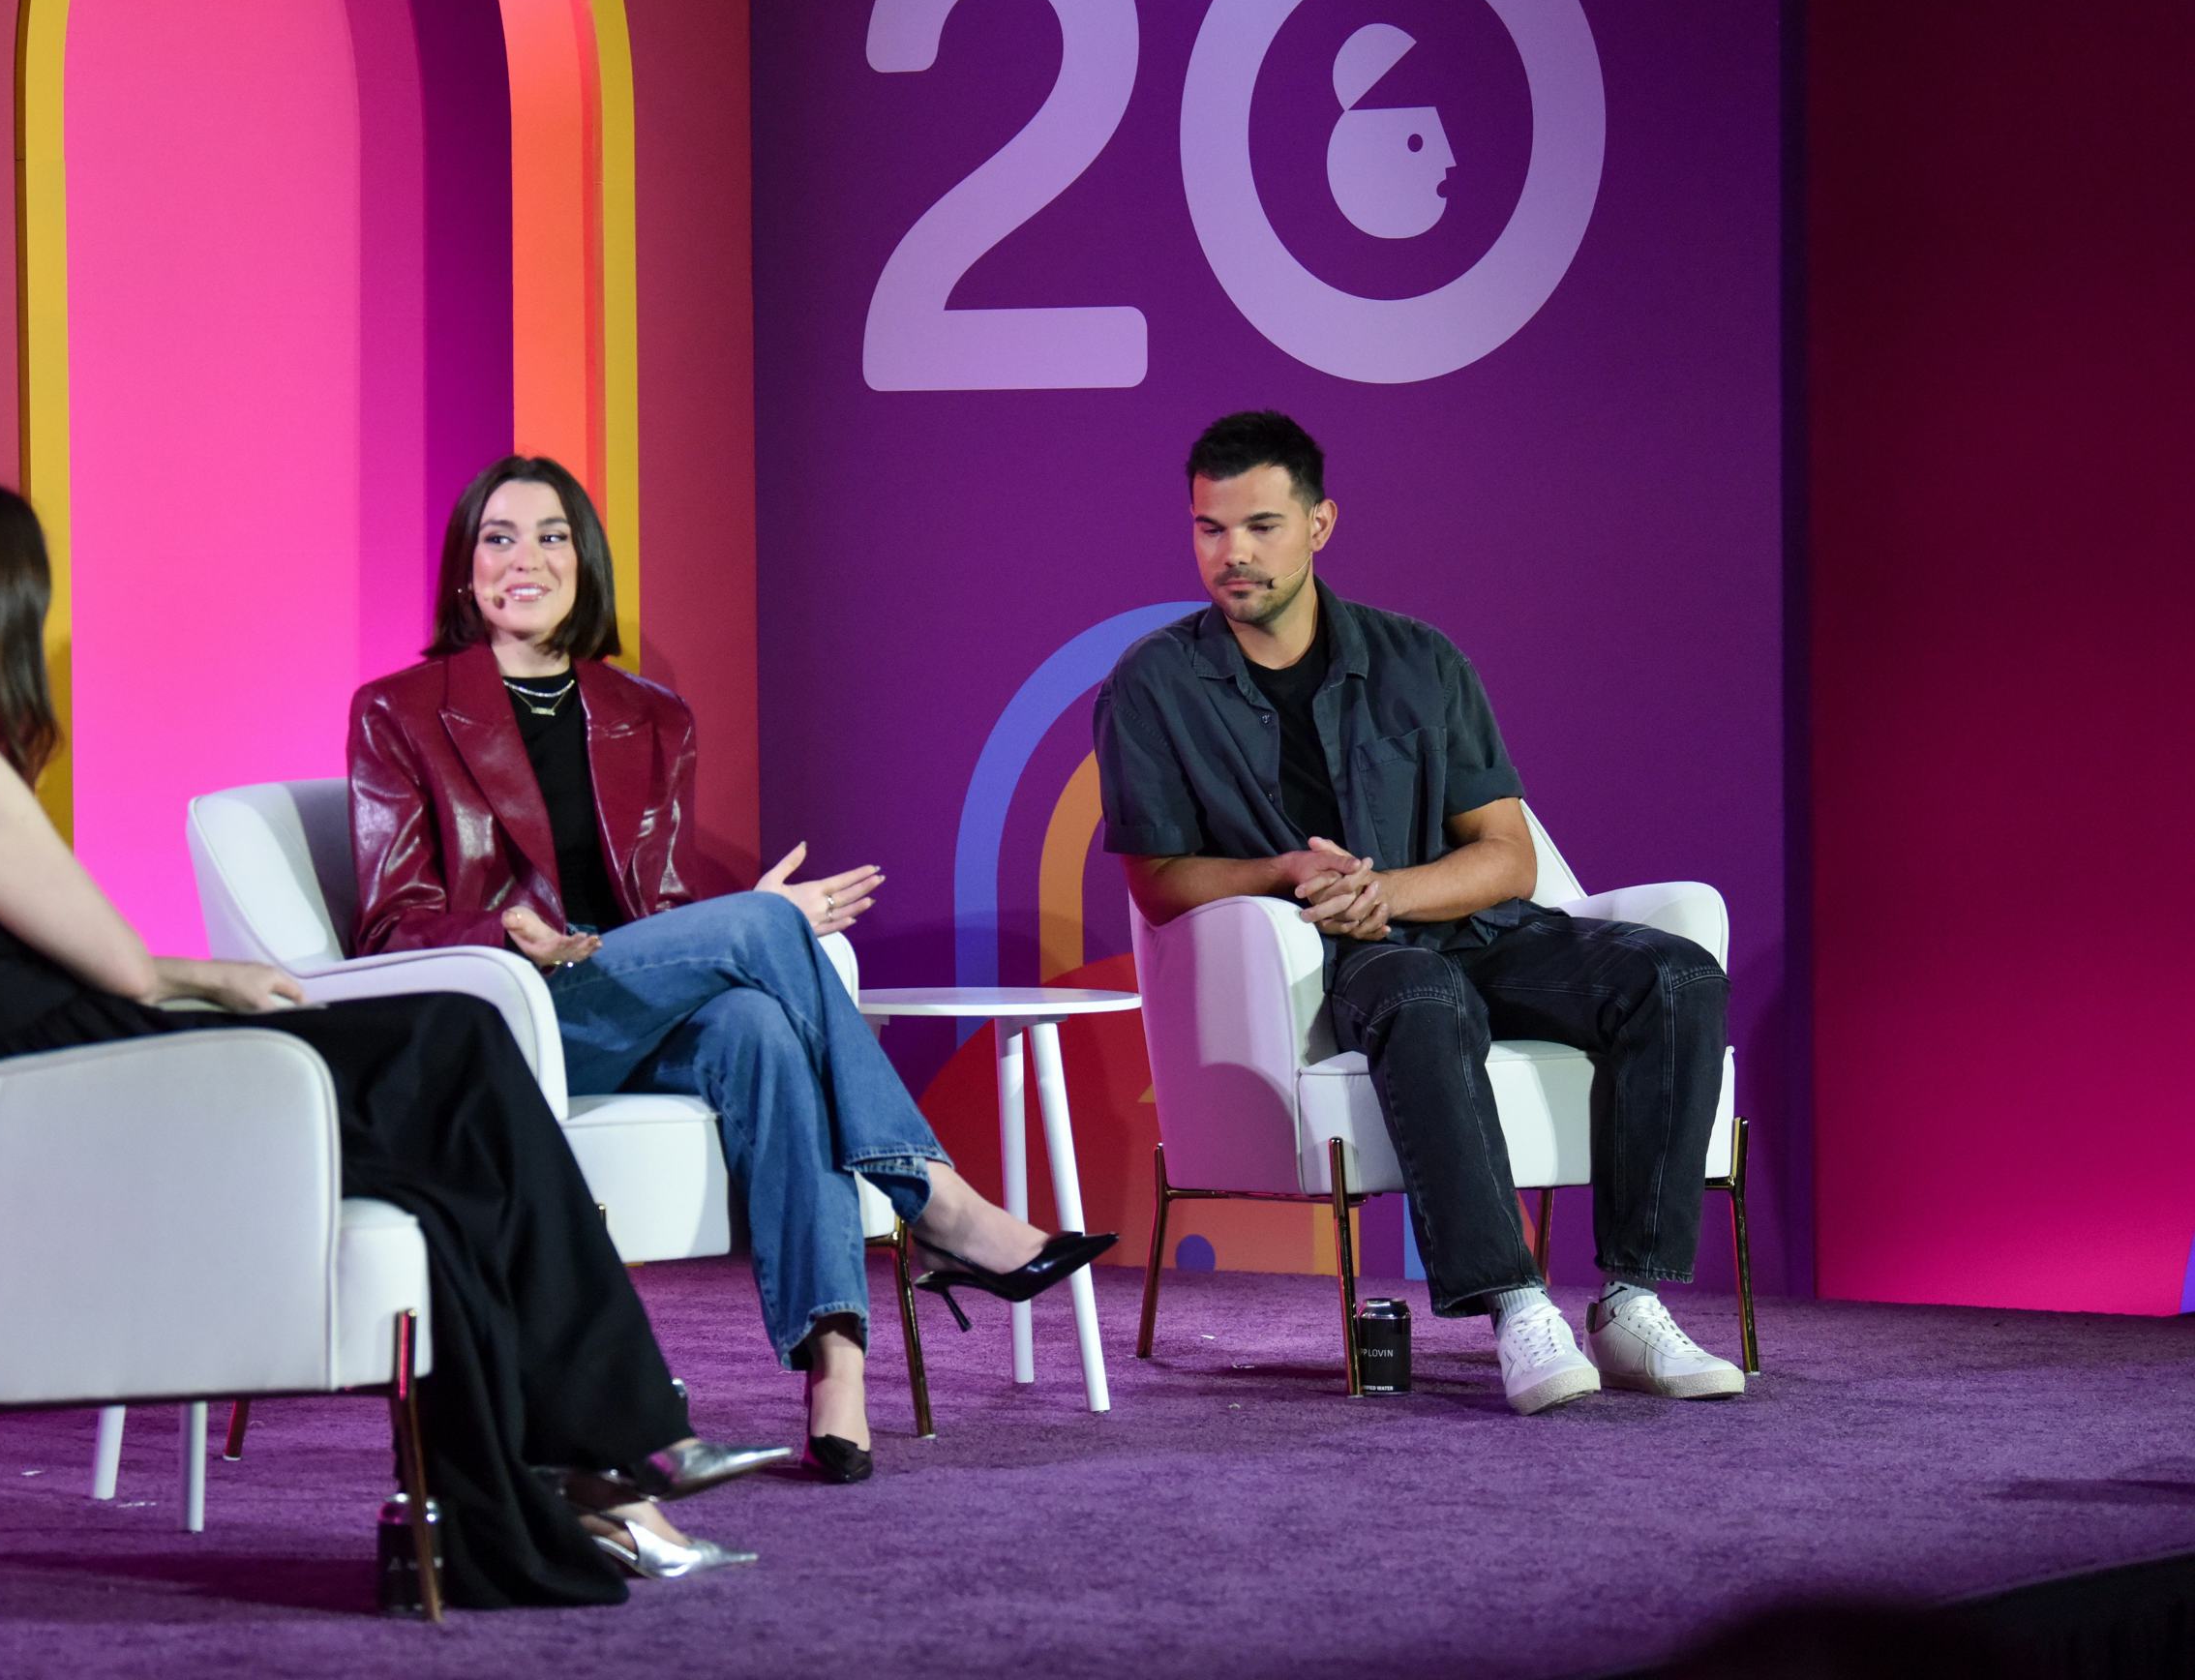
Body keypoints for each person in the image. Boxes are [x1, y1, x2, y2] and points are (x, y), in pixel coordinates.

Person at [0, 471, 783, 1606]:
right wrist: (215, 982)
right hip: (127, 1089)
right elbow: (118, 965)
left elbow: (53, 964)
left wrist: (214, 980)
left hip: (99, 1081)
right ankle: (627, 1435)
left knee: (456, 1171)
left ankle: (583, 1473)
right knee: (458, 1042)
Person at [346, 455, 1113, 1481]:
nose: (525, 559)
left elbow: (661, 922)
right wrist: (506, 930)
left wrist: (745, 922)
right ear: (463, 568)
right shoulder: (398, 711)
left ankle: (837, 1367)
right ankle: (935, 1198)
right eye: (499, 538)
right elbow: (389, 928)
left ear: (585, 562)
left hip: (624, 996)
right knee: (761, 927)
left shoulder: (650, 715)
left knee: (761, 1028)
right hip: (510, 1010)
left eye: (551, 536)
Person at [1094, 412, 1743, 1416]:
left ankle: (1631, 1303)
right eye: (1210, 529)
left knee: (1676, 973)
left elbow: (1507, 853)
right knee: (1424, 993)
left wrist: (1389, 889)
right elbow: (1158, 881)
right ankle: (1516, 1304)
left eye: (1261, 526)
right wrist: (1287, 873)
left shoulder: (1420, 660)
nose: (1233, 554)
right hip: (1343, 963)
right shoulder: (1155, 684)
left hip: (1478, 932)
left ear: (1320, 524)